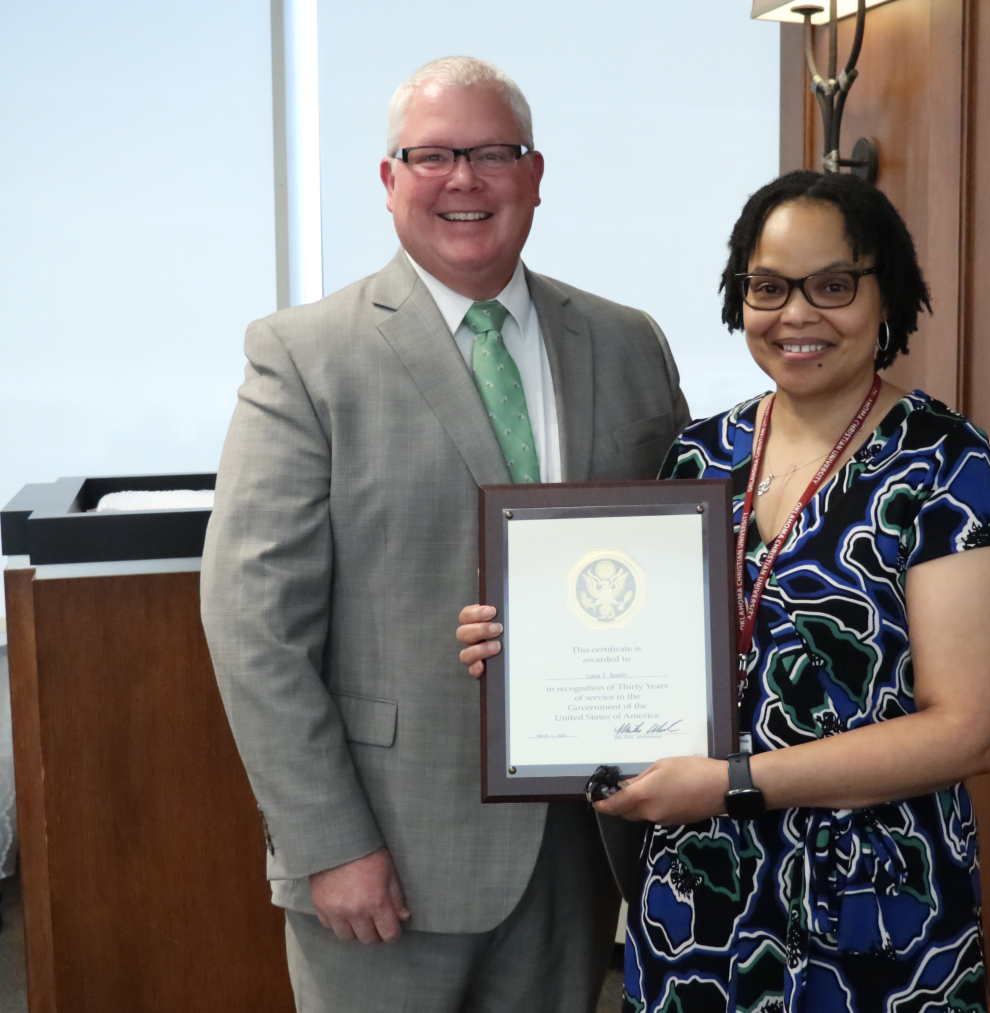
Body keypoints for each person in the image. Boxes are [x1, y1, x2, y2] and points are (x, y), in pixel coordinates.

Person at [459, 169, 990, 1012]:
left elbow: (972, 729)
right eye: (768, 287)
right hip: (698, 899)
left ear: (886, 295)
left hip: (870, 899)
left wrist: (734, 781)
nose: (796, 314)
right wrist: (520, 646)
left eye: (832, 284)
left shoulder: (942, 462)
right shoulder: (698, 457)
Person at [201, 56, 689, 1013]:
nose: (464, 178)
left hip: (581, 844)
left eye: (493, 153)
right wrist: (330, 842)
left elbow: (677, 565)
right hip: (386, 854)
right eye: (432, 155)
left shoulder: (629, 341)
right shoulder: (305, 356)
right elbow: (252, 623)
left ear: (536, 175)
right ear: (389, 181)